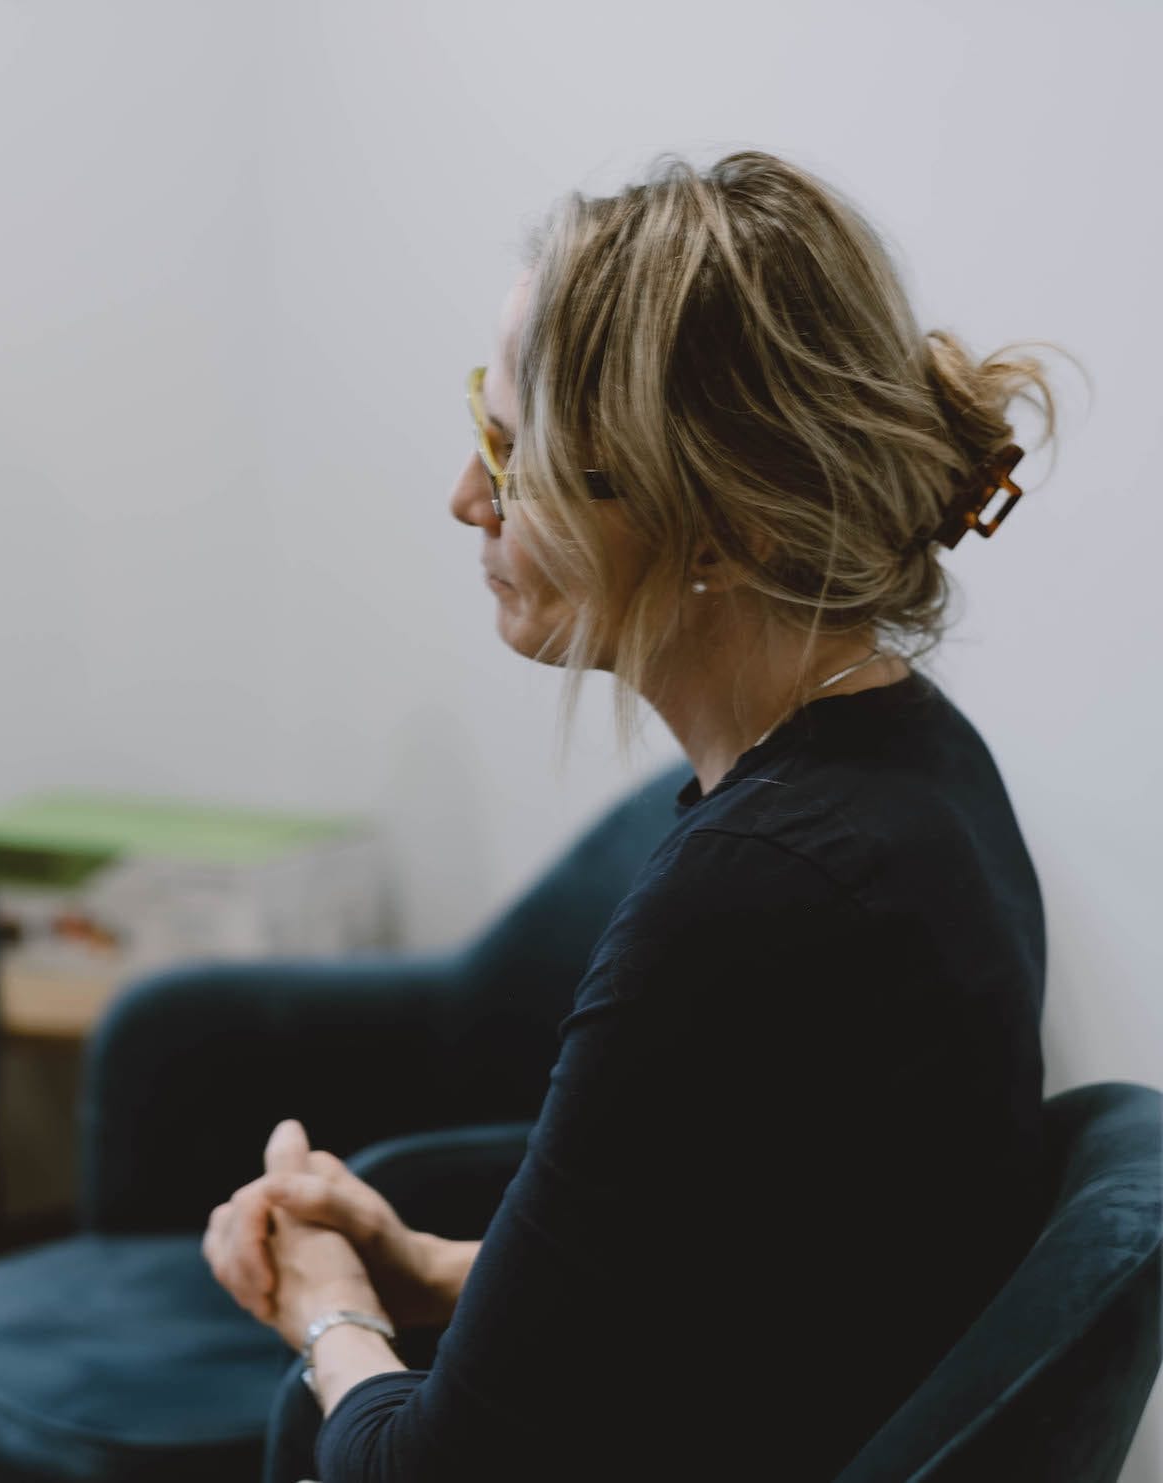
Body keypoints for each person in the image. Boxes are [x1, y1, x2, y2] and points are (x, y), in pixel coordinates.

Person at [203, 152, 1053, 1481]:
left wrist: (329, 1315)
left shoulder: (761, 890)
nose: (466, 497)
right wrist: (428, 1269)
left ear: (711, 525)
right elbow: (742, 1292)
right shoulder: (914, 777)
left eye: (511, 448)